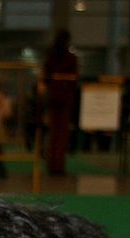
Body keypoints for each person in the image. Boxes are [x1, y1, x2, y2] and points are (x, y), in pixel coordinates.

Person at [43, 29, 78, 176]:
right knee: (62, 134)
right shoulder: (71, 58)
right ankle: (58, 166)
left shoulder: (50, 57)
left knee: (53, 133)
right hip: (65, 97)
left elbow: (45, 77)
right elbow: (74, 79)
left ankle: (51, 164)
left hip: (53, 96)